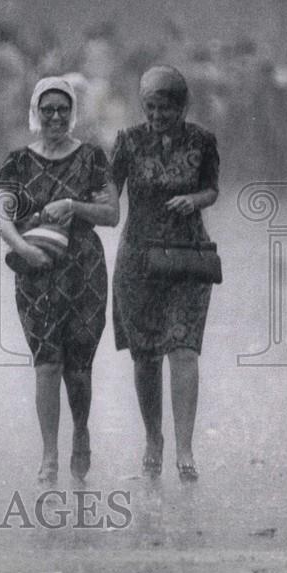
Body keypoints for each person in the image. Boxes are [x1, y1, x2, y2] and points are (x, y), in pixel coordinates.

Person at [0, 76, 119, 484]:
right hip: (35, 270)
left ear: (72, 111)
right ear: (35, 110)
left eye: (62, 108)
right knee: (46, 363)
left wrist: (73, 205)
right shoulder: (16, 162)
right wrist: (23, 249)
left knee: (78, 368)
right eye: (47, 108)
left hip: (83, 268)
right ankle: (49, 454)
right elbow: (1, 215)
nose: (54, 116)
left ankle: (80, 432)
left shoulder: (93, 158)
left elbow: (112, 214)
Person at [108, 65, 219, 482]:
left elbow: (212, 188)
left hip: (188, 257)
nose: (157, 116)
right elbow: (107, 194)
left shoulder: (203, 141)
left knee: (185, 350)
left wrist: (195, 199)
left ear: (183, 106)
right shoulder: (127, 142)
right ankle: (153, 438)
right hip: (138, 262)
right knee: (145, 356)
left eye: (166, 109)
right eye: (150, 108)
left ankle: (185, 450)